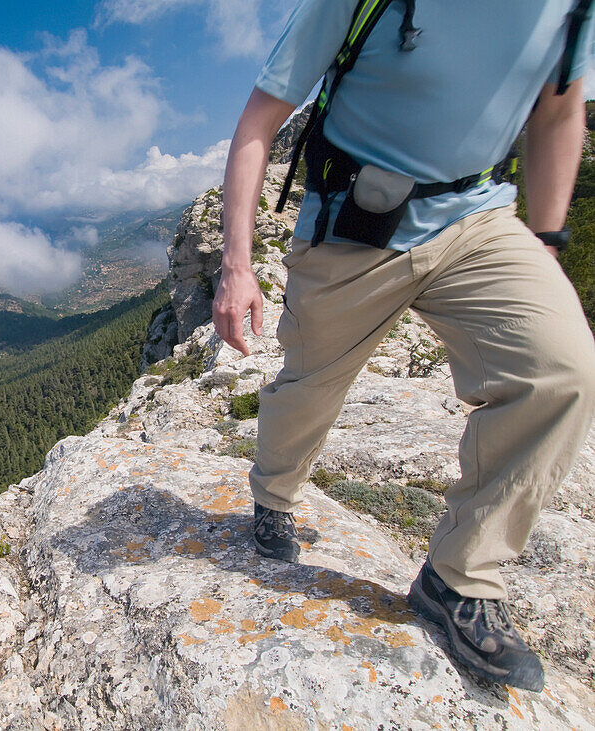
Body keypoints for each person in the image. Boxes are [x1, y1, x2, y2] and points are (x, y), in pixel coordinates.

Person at [212, 0, 595, 692]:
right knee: (310, 387)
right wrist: (237, 265)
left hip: (481, 218)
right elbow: (259, 120)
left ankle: (460, 578)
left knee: (563, 369)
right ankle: (274, 493)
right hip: (353, 225)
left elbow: (560, 110)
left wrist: (544, 244)